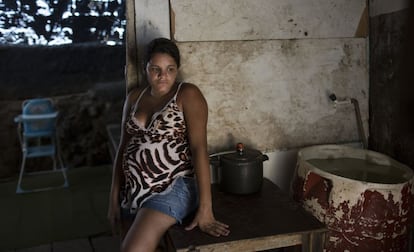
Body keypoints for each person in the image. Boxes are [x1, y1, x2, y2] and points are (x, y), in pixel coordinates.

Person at [108, 37, 230, 252]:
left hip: (172, 187)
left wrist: (206, 209)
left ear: (177, 69)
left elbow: (199, 149)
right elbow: (123, 148)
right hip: (134, 191)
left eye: (170, 69)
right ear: (146, 68)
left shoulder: (187, 94)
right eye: (156, 69)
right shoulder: (135, 97)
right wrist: (113, 198)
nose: (163, 76)